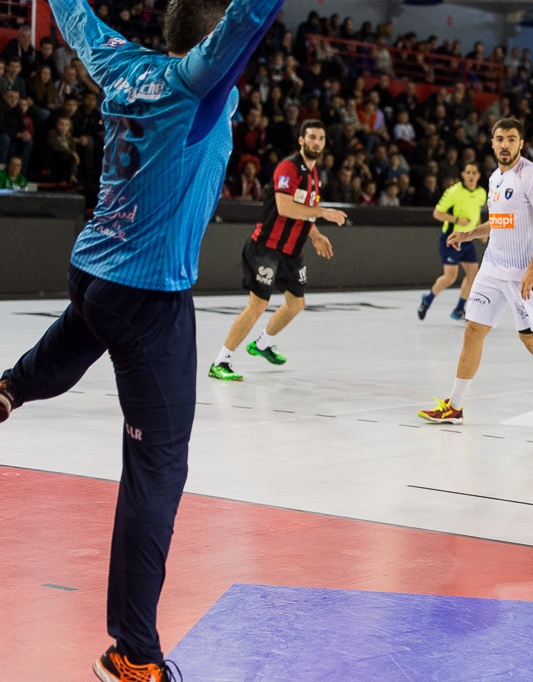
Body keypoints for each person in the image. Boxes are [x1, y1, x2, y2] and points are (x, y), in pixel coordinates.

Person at [0, 0, 283, 679]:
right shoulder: (200, 85)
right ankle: (132, 653)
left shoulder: (124, 65)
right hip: (149, 295)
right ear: (214, 46)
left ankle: (8, 388)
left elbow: (73, 18)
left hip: (91, 270)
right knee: (157, 471)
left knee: (82, 329)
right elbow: (248, 18)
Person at [417, 117, 533, 429]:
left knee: (531, 339)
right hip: (492, 268)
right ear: (492, 143)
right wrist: (468, 234)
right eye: (499, 139)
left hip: (523, 273)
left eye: (511, 139)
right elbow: (500, 221)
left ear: (521, 143)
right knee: (473, 331)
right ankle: (454, 406)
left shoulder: (532, 177)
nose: (504, 144)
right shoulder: (494, 178)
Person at [209, 120, 347, 381]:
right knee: (257, 305)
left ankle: (262, 343)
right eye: (312, 137)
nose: (317, 142)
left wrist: (315, 234)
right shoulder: (288, 167)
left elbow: (303, 212)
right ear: (301, 141)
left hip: (292, 251)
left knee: (296, 303)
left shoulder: (315, 175)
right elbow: (284, 208)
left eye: (321, 138)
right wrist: (324, 212)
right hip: (267, 248)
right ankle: (221, 361)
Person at [417, 161, 487, 322]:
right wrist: (456, 219)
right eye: (468, 172)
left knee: (473, 274)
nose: (470, 176)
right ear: (462, 174)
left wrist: (480, 232)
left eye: (474, 172)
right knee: (450, 277)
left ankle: (459, 309)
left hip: (467, 239)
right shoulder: (453, 191)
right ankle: (428, 298)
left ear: (478, 175)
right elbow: (437, 213)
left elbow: (476, 213)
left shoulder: (481, 193)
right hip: (451, 238)